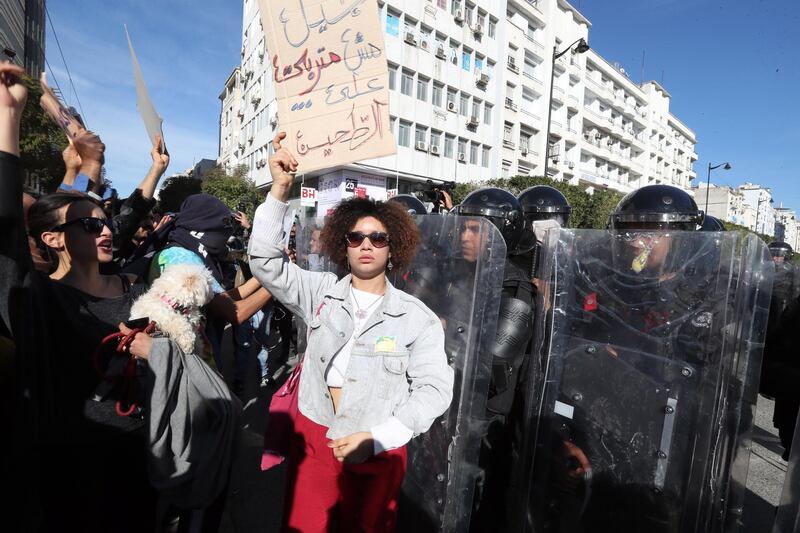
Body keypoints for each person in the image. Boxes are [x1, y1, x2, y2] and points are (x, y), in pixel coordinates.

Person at [525, 184, 768, 532]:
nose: (636, 243)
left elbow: (725, 404)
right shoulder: (608, 289)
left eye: (650, 233)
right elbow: (572, 367)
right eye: (628, 232)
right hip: (604, 452)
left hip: (670, 465)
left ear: (684, 240)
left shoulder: (713, 300)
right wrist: (564, 436)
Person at [249, 132, 454, 532]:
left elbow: (433, 388)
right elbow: (265, 263)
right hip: (316, 436)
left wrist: (381, 437)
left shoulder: (417, 317)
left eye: (378, 238)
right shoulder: (319, 292)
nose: (366, 245)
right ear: (343, 245)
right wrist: (279, 190)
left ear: (392, 248)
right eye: (355, 237)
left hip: (379, 444)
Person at [453, 188, 536, 532]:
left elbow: (493, 362)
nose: (464, 236)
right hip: (451, 406)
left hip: (486, 421)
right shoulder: (462, 276)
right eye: (463, 227)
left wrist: (443, 332)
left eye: (475, 229)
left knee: (479, 507)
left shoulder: (515, 287)